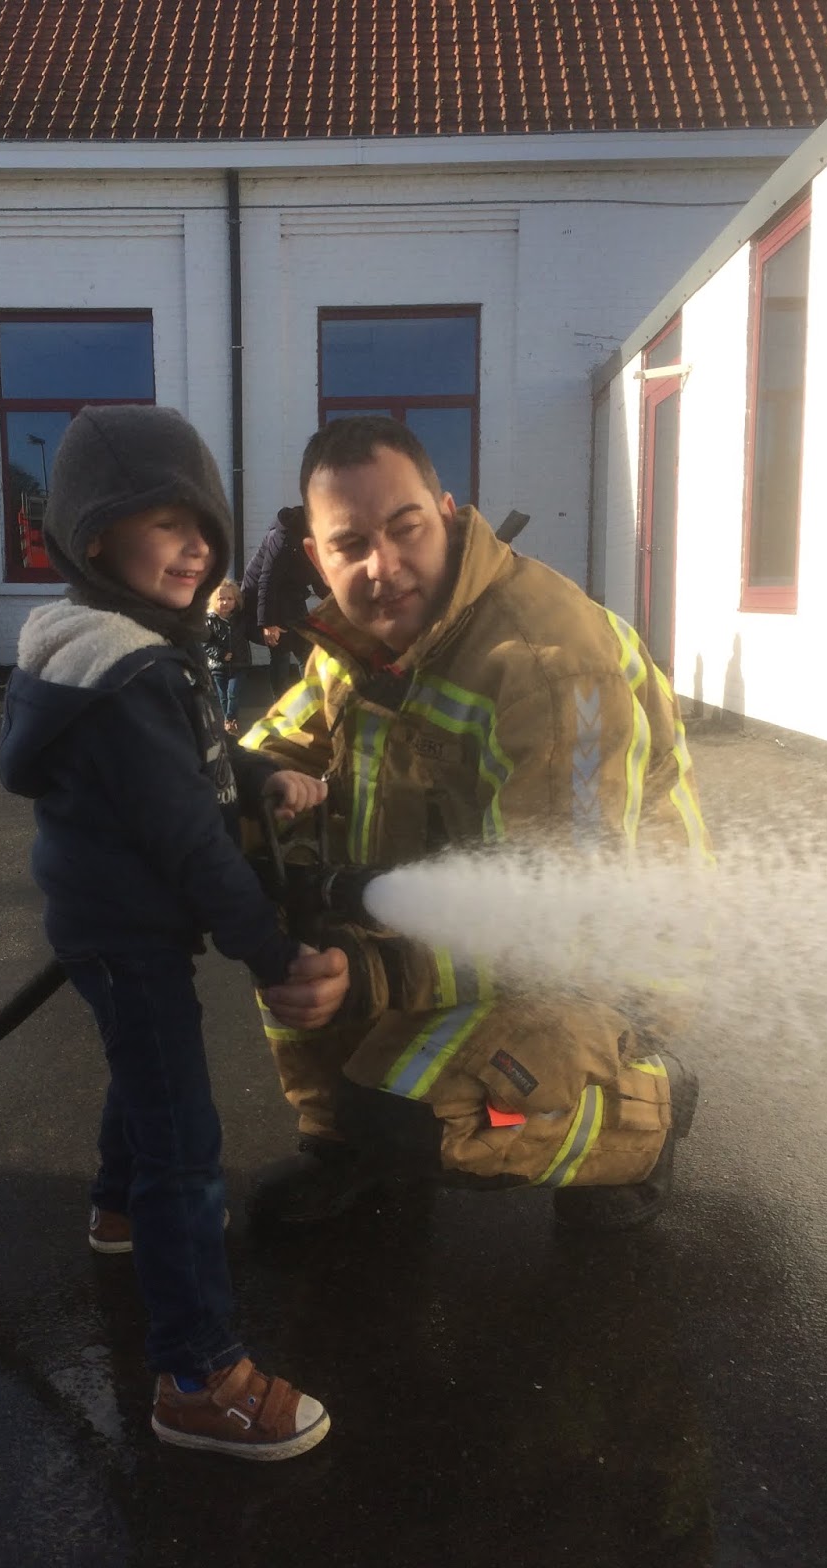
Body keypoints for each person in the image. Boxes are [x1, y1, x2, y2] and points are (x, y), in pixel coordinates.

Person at [243, 415, 711, 1231]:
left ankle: (638, 1121)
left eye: (406, 528)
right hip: (436, 941)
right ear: (317, 558)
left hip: (595, 964)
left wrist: (371, 972)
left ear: (448, 515)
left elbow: (560, 913)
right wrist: (220, 801)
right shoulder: (355, 643)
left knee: (410, 1114)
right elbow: (278, 746)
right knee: (280, 913)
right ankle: (342, 1147)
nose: (383, 567)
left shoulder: (549, 666)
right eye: (351, 545)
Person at [0, 404, 349, 1461]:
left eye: (203, 523)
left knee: (144, 1071)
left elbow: (188, 755)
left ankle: (117, 1211)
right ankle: (198, 1378)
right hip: (130, 927)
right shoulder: (129, 673)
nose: (195, 546)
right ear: (95, 536)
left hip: (110, 923)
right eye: (164, 522)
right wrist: (274, 956)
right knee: (186, 1142)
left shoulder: (125, 646)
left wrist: (258, 768)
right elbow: (192, 843)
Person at [240, 506, 328, 697]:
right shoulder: (281, 538)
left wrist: (341, 603)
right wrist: (267, 623)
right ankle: (280, 703)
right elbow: (267, 580)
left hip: (292, 595)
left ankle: (313, 699)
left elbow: (318, 578)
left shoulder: (315, 540)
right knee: (282, 650)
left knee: (306, 647)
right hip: (266, 596)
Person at [204, 578, 251, 733]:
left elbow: (251, 633)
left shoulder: (240, 619)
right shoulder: (210, 620)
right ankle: (228, 721)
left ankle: (231, 719)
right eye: (221, 599)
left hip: (239, 664)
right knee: (223, 695)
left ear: (236, 601)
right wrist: (220, 654)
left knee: (233, 693)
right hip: (218, 666)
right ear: (214, 601)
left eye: (230, 599)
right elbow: (205, 643)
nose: (225, 602)